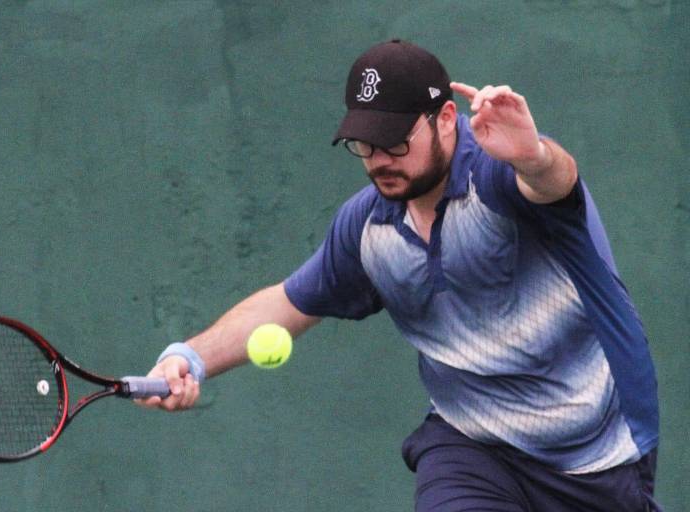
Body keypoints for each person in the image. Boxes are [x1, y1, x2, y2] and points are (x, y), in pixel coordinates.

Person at [137, 40, 661, 511]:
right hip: (471, 448)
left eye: (395, 141)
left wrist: (535, 155)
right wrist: (190, 357)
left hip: (598, 457)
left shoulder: (500, 175)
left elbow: (553, 181)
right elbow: (289, 303)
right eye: (365, 143)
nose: (379, 160)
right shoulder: (368, 227)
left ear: (446, 119)